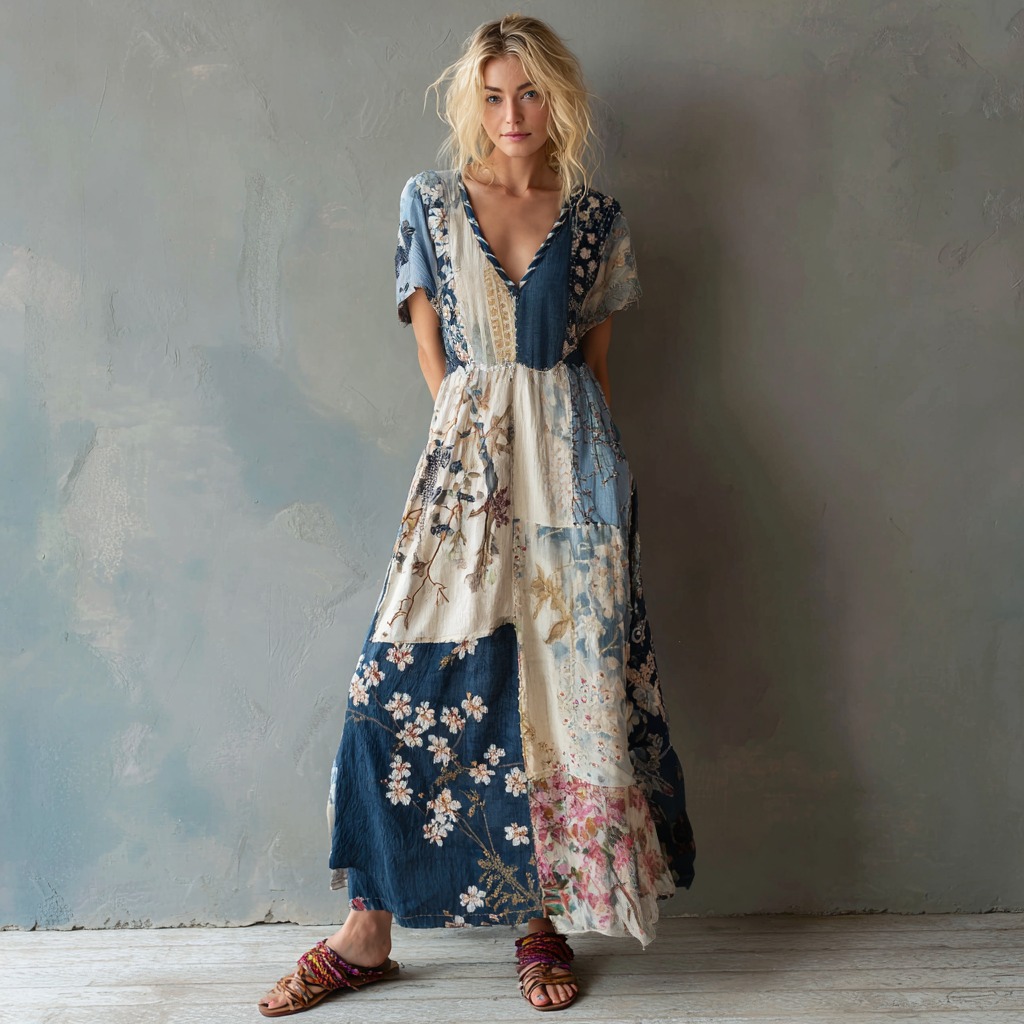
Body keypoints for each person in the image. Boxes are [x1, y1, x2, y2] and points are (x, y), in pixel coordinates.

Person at [258, 14, 695, 1017]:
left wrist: (602, 502)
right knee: (391, 691)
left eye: (529, 92)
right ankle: (366, 932)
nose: (511, 113)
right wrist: (474, 460)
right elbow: (435, 359)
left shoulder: (596, 220)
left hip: (576, 485)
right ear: (473, 102)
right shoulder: (430, 203)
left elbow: (594, 373)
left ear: (558, 99)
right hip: (466, 475)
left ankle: (540, 920)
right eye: (494, 95)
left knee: (555, 702)